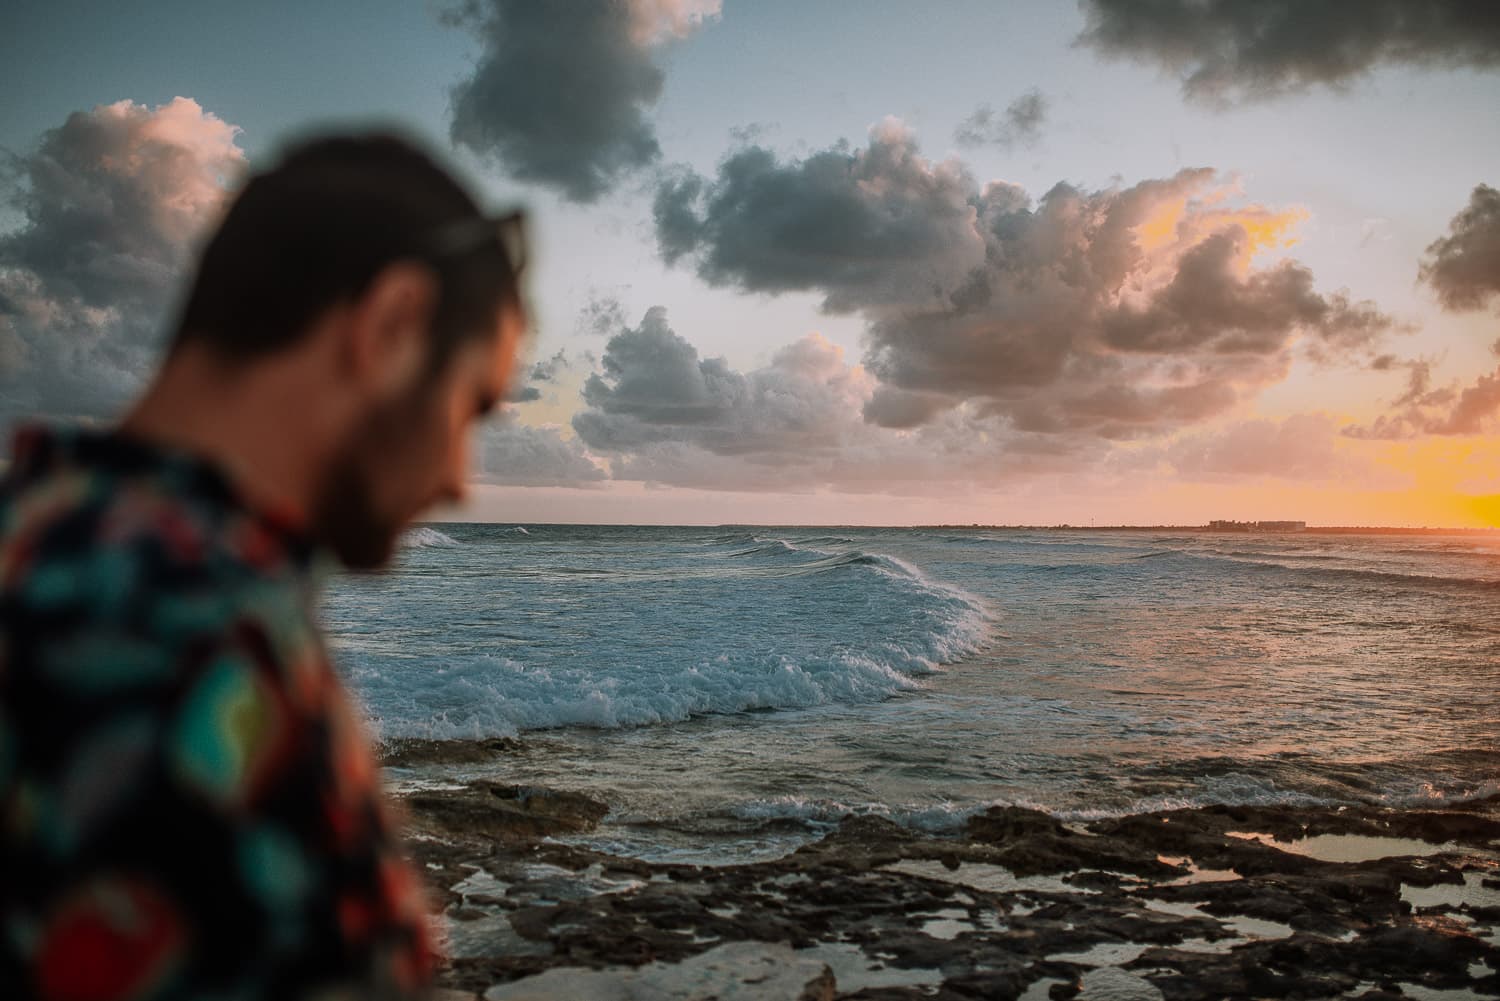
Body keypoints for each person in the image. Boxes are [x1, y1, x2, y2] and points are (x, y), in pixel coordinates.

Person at [0, 134, 527, 999]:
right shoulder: (188, 637)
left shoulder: (47, 541)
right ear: (390, 325)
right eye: (472, 404)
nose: (459, 478)